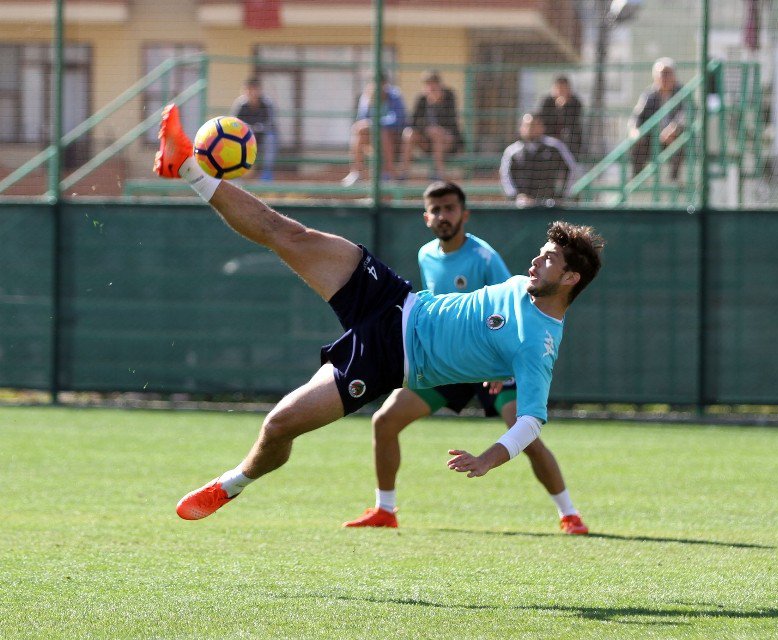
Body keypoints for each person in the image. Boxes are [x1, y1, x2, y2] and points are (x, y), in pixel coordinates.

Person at [152, 104, 604, 522]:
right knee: (290, 235)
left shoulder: (540, 341)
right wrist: (490, 360)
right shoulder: (520, 285)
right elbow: (487, 325)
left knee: (278, 426)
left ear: (570, 280)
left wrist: (488, 457)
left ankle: (232, 484)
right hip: (393, 299)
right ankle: (187, 166)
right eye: (541, 253)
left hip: (389, 359)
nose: (535, 261)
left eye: (549, 259)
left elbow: (531, 420)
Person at [342, 180, 589, 535]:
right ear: (426, 217)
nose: (444, 216)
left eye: (450, 208)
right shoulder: (426, 254)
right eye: (436, 210)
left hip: (493, 366)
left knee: (526, 436)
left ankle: (569, 513)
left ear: (464, 214)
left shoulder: (484, 256)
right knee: (384, 421)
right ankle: (385, 509)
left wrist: (499, 365)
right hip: (447, 363)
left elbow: (519, 308)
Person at [500, 112, 579, 208]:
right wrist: (516, 196)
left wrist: (563, 195)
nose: (530, 129)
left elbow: (571, 168)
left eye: (534, 125)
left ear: (542, 127)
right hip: (522, 205)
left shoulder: (555, 146)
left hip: (550, 204)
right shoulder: (512, 151)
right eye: (527, 125)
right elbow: (505, 175)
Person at [342, 75, 407, 186]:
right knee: (358, 129)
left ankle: (391, 173)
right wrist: (373, 123)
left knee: (382, 132)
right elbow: (361, 119)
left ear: (385, 83)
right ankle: (356, 172)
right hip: (373, 138)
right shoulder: (367, 96)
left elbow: (397, 120)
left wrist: (375, 123)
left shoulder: (395, 95)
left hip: (394, 138)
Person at [629, 57, 686, 180]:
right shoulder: (649, 95)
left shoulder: (682, 93)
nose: (664, 78)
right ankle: (636, 178)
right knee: (637, 142)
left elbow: (686, 114)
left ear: (674, 76)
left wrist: (674, 128)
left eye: (668, 74)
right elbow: (637, 116)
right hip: (653, 140)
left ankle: (674, 179)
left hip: (673, 138)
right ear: (655, 77)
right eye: (662, 74)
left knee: (680, 142)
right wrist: (634, 130)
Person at [400, 71, 463, 182]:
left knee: (436, 132)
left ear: (440, 84)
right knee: (408, 133)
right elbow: (413, 122)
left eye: (433, 84)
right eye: (428, 84)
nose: (431, 87)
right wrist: (426, 128)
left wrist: (437, 103)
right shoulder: (422, 99)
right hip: (427, 142)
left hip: (448, 141)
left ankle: (439, 174)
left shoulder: (449, 96)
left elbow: (452, 121)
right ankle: (404, 173)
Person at [231, 77, 277, 181]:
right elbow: (233, 124)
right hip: (245, 137)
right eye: (248, 89)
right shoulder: (240, 105)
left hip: (262, 137)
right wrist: (247, 130)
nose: (251, 92)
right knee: (231, 141)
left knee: (271, 138)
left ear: (259, 90)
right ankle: (235, 173)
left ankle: (267, 174)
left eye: (254, 89)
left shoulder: (267, 104)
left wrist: (257, 128)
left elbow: (270, 123)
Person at [537, 75, 584, 159]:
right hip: (550, 137)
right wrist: (557, 108)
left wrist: (564, 108)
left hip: (570, 140)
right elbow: (545, 121)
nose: (560, 91)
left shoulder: (575, 102)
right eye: (558, 88)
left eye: (563, 88)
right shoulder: (547, 102)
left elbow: (572, 123)